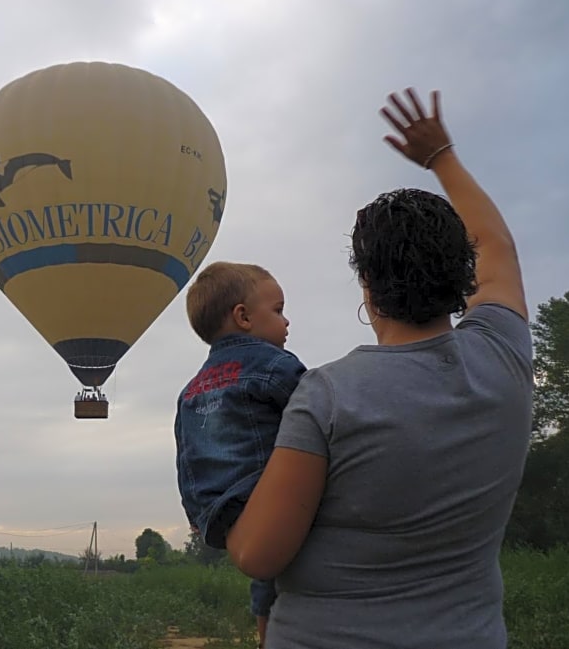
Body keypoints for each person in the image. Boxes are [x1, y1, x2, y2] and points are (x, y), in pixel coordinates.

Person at [223, 88, 533, 648]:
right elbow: (499, 247)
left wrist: (218, 497)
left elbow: (256, 553)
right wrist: (443, 155)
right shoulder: (505, 356)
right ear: (463, 274)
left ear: (366, 286)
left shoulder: (326, 397)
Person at [173, 261, 307, 648]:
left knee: (266, 577)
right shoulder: (275, 366)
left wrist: (196, 514)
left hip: (221, 512)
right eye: (278, 310)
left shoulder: (190, 390)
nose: (286, 323)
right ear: (243, 316)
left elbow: (186, 454)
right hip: (267, 494)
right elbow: (319, 415)